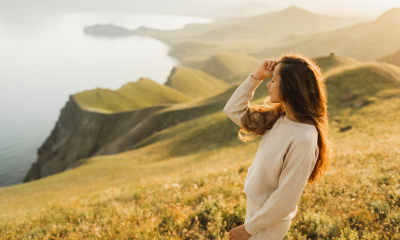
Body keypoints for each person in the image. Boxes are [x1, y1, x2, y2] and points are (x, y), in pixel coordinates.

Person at [224, 52, 332, 240]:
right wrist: (256, 76)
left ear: (290, 87)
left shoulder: (304, 139)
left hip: (267, 225)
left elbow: (285, 200)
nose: (268, 84)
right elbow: (233, 109)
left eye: (273, 80)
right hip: (257, 214)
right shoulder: (279, 119)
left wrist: (248, 229)